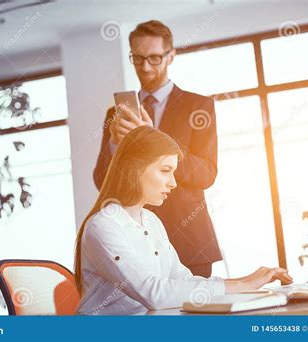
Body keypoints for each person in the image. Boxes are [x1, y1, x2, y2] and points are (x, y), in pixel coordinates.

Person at [76, 126, 292, 315]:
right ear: (135, 168)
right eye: (165, 171)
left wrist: (242, 284)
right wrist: (241, 284)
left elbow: (182, 279)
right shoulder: (103, 226)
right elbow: (154, 294)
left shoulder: (151, 221)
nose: (173, 183)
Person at [94, 20, 220, 277]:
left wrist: (154, 137)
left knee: (198, 314)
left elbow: (206, 174)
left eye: (154, 58)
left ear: (171, 55)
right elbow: (101, 180)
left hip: (189, 239)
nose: (146, 67)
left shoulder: (198, 106)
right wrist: (116, 144)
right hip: (135, 240)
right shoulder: (117, 114)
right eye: (138, 58)